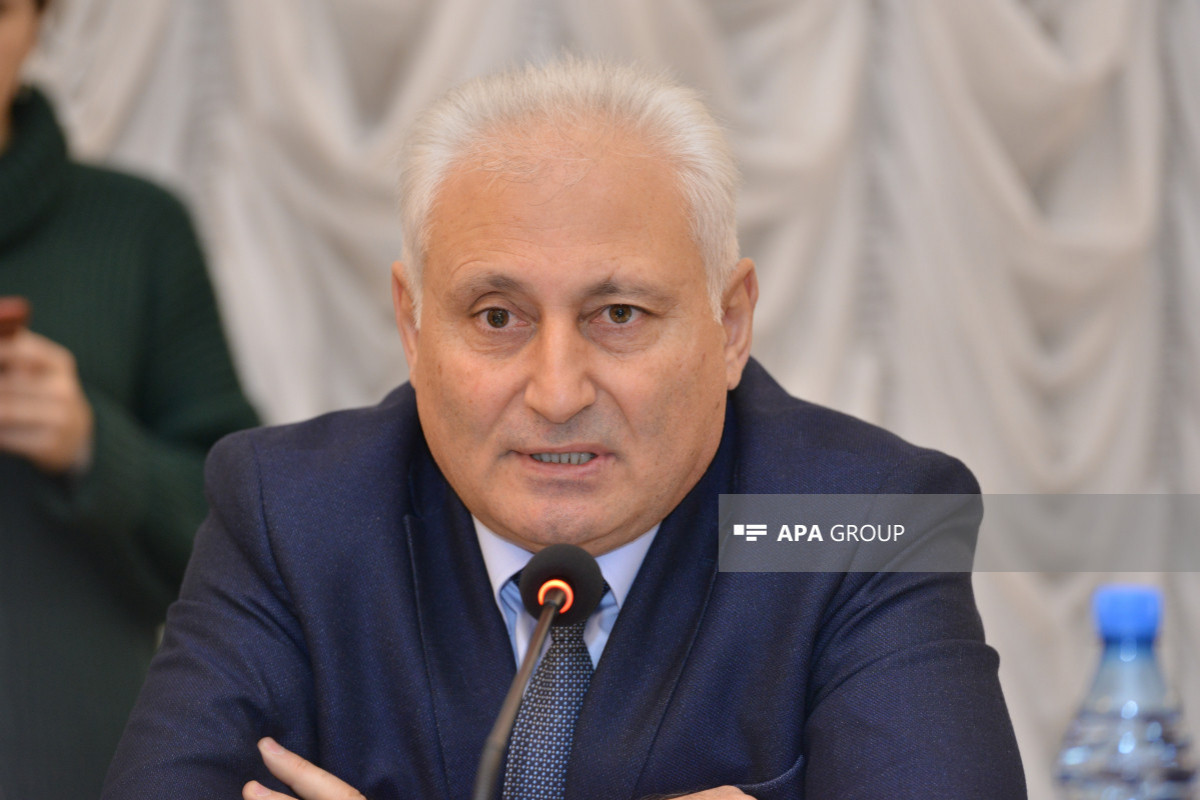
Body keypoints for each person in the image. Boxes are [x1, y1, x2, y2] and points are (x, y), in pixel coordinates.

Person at [103, 60, 1026, 799]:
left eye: (618, 314)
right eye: (497, 317)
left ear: (731, 323)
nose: (555, 392)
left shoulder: (864, 521)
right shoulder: (292, 513)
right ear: (413, 327)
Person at [0, 0, 260, 797]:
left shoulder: (139, 229)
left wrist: (91, 442)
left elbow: (242, 530)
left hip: (75, 759)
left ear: (42, 22)